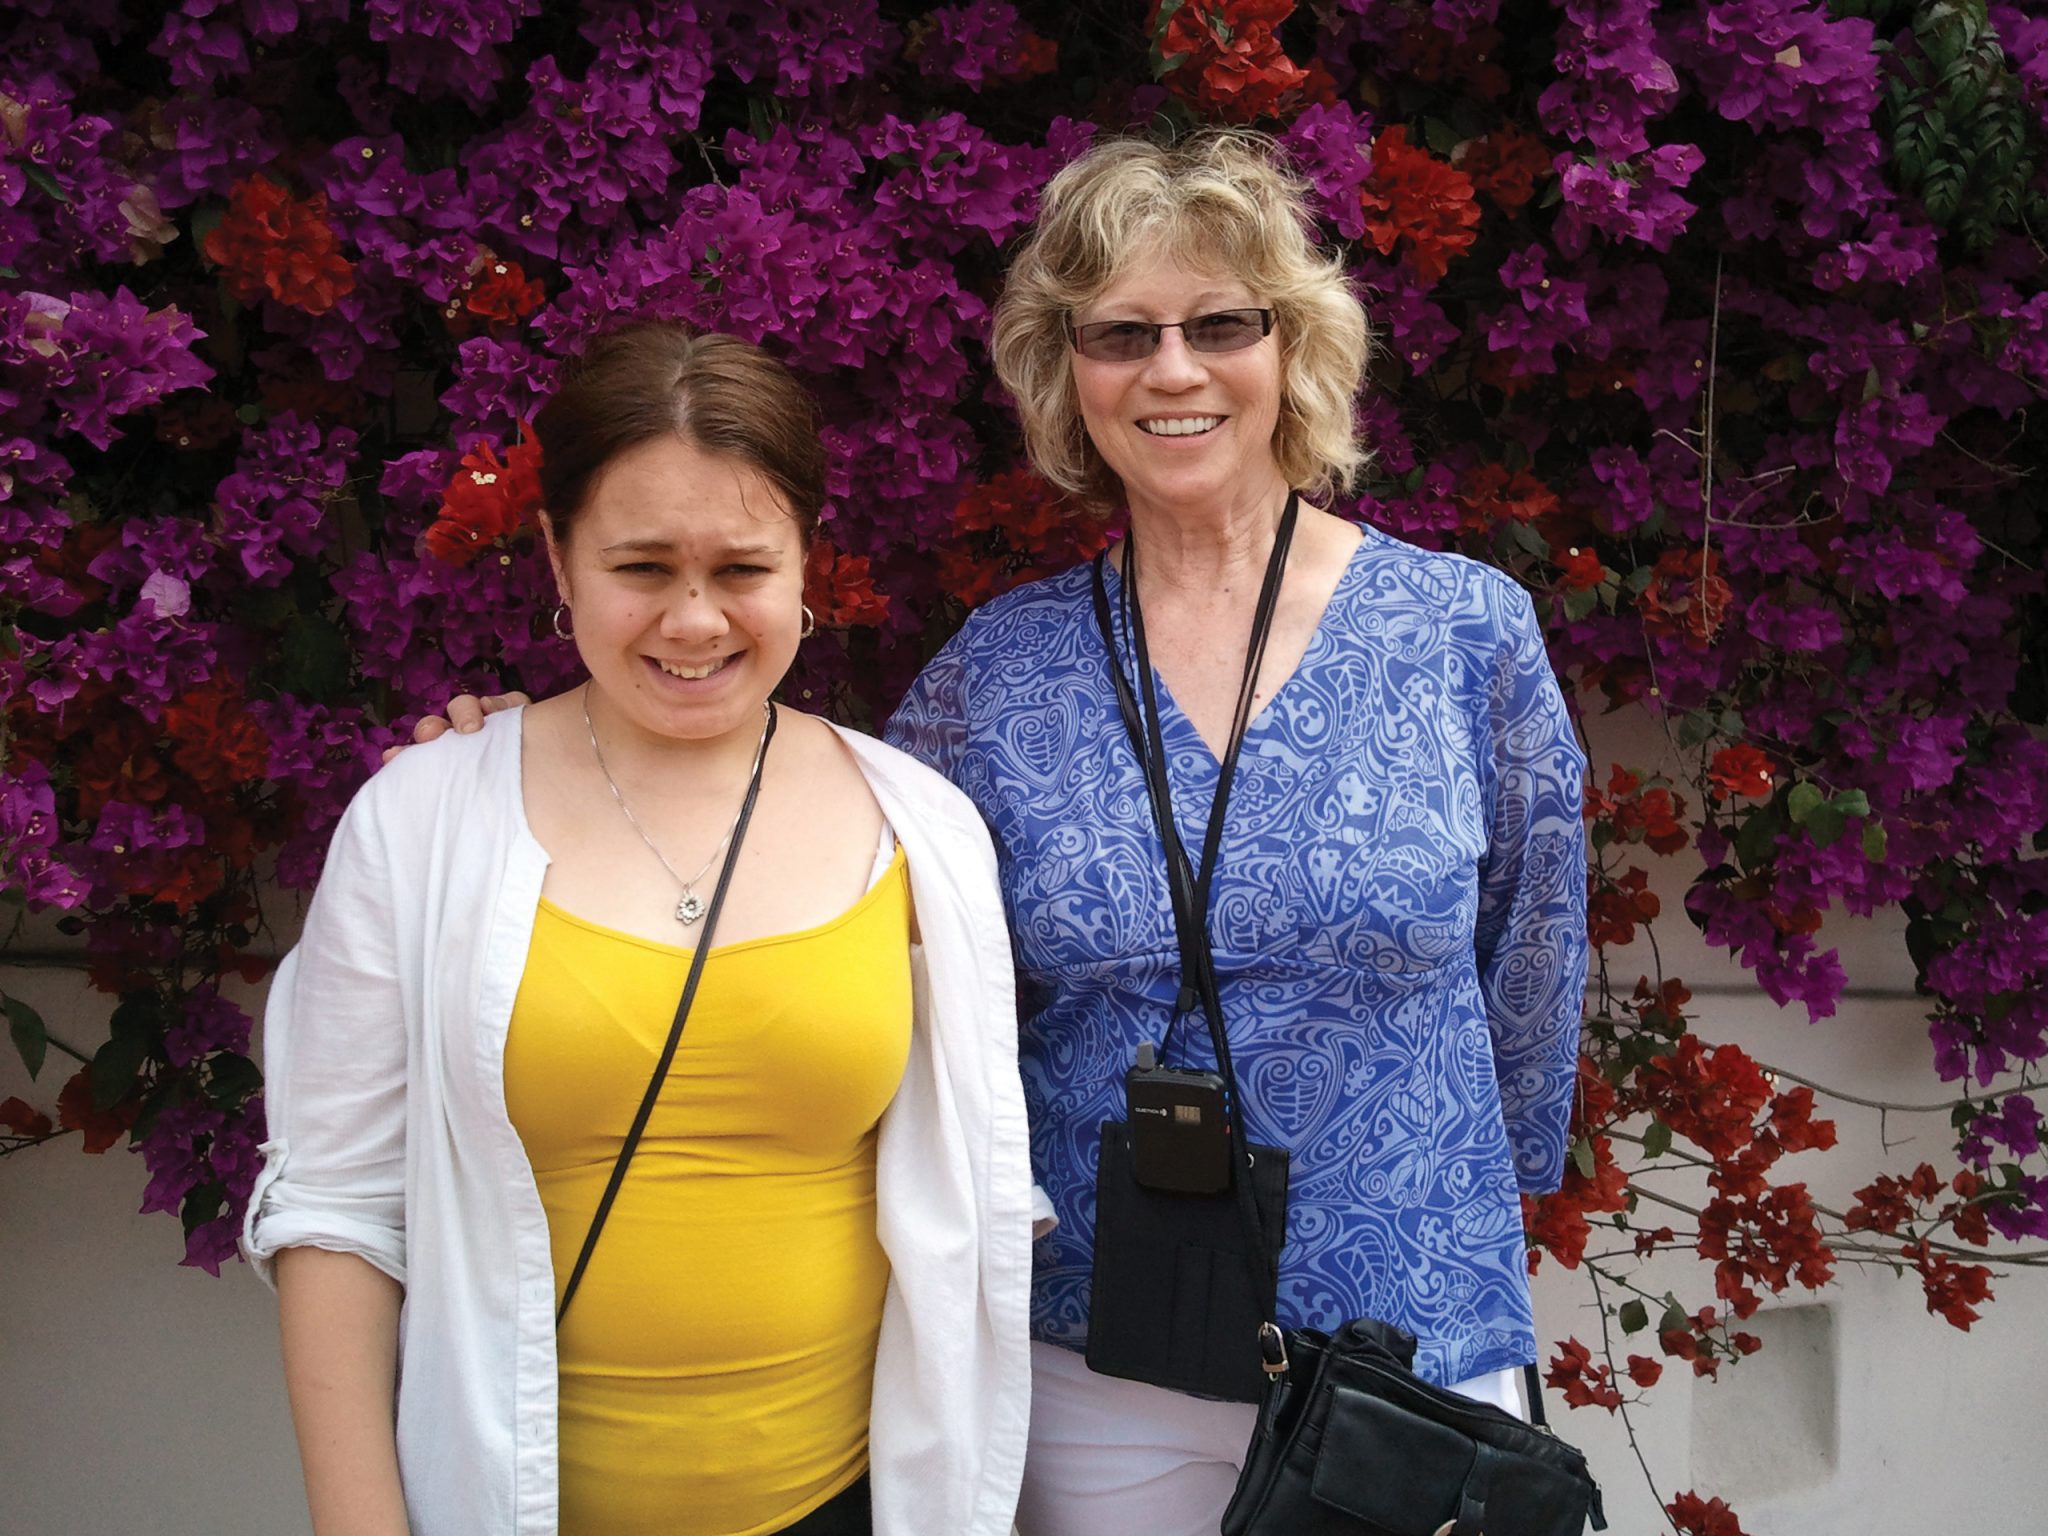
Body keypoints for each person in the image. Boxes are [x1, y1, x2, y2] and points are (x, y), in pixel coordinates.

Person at [420, 131, 1588, 1536]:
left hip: (1408, 1351)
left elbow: (1534, 969)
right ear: (1064, 373)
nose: (1172, 370)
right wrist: (534, 760)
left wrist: (1473, 1204)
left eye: (1221, 325)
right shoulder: (996, 674)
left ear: (1294, 349)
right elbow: (804, 876)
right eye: (1120, 335)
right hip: (1101, 1359)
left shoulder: (1462, 632)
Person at [243, 324, 1036, 1536]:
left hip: (849, 1506)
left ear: (807, 559)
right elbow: (336, 1213)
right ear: (556, 559)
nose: (694, 621)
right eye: (642, 567)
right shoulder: (422, 819)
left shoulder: (918, 825)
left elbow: (967, 1193)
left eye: (742, 567)